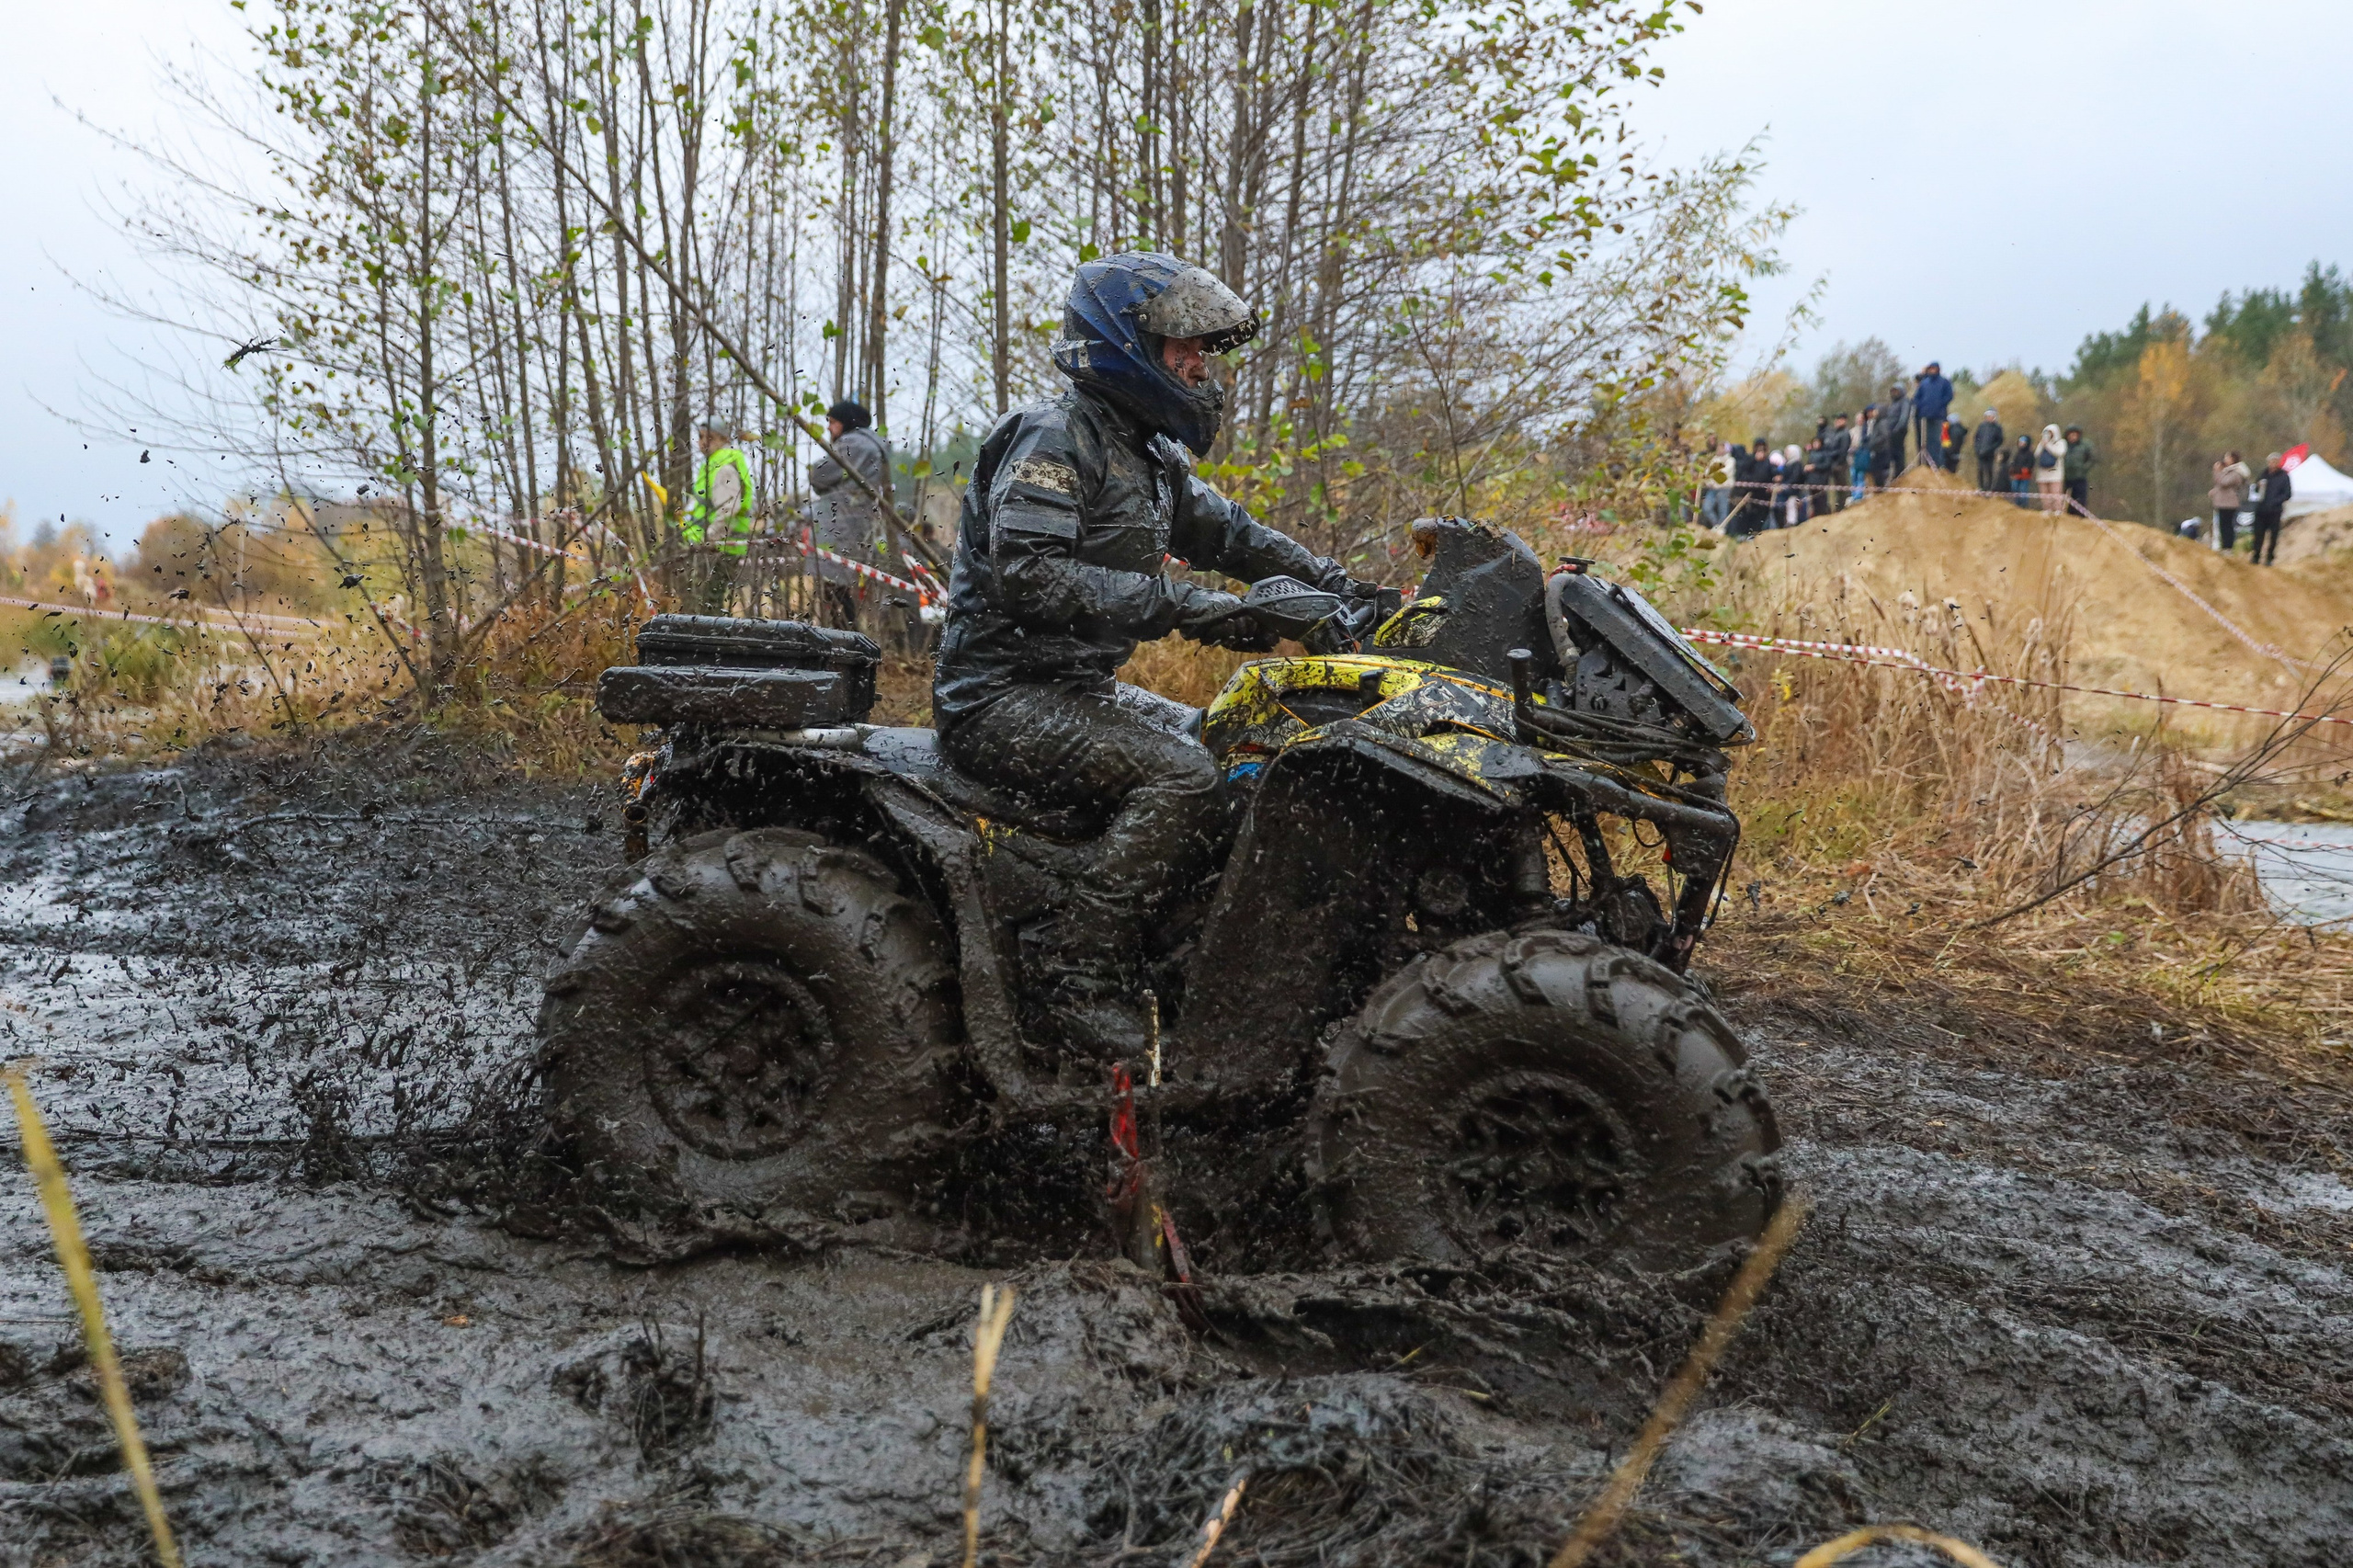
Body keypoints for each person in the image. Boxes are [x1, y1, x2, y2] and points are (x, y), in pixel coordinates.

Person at [931, 252, 1381, 1050]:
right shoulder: (1056, 435)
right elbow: (1032, 577)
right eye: (1186, 349)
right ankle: (1078, 970)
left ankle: (1174, 951)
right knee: (1186, 777)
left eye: (1204, 351)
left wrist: (1344, 589)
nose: (1199, 366)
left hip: (1076, 690)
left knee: (1240, 752)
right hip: (999, 697)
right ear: (1127, 344)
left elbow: (1234, 536)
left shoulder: (1147, 454)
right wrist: (1206, 611)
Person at [809, 399, 893, 629]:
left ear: (846, 423)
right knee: (847, 590)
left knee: (836, 591)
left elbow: (819, 475)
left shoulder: (853, 445)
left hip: (841, 527)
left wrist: (819, 478)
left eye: (833, 422)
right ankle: (851, 637)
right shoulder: (873, 446)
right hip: (860, 526)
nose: (829, 428)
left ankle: (846, 641)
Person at [685, 425, 757, 612]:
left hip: (718, 549)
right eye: (700, 437)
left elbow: (729, 508)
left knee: (708, 607)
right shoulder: (715, 464)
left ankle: (715, 640)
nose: (702, 443)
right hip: (717, 547)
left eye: (710, 438)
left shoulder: (724, 466)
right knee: (709, 605)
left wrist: (711, 537)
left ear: (725, 440)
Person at [2249, 451, 2291, 565]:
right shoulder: (2264, 474)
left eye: (2275, 461)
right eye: (2271, 461)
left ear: (2279, 463)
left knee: (2273, 535)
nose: (2273, 464)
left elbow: (2288, 494)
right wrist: (2258, 486)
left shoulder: (2284, 476)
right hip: (2261, 509)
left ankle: (2269, 557)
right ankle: (2256, 555)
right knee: (2258, 534)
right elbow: (2256, 489)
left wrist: (2275, 501)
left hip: (2275, 510)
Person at [1912, 361, 1953, 467]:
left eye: (1934, 369)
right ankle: (1925, 464)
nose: (1932, 371)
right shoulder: (1924, 383)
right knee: (1924, 441)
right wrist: (1922, 406)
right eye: (1930, 369)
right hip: (1924, 417)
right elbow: (1916, 397)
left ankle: (1937, 464)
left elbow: (1949, 396)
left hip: (1939, 417)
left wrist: (1940, 404)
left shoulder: (1944, 382)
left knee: (1937, 441)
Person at [2210, 450, 2251, 552]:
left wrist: (2217, 471)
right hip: (2223, 502)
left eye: (2227, 458)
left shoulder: (2237, 472)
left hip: (2229, 503)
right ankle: (2224, 545)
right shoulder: (2228, 471)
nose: (2225, 460)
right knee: (2222, 525)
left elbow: (2225, 482)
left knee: (2227, 525)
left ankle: (2228, 547)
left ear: (2232, 459)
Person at [1817, 415, 1852, 515]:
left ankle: (1842, 507)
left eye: (1839, 420)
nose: (1836, 421)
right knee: (1837, 487)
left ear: (1844, 420)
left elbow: (1843, 450)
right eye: (1836, 420)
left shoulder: (1845, 433)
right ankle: (1837, 507)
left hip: (1840, 464)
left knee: (1842, 486)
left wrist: (1838, 463)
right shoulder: (1835, 433)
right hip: (1833, 463)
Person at [1699, 437, 1734, 530]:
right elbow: (1707, 473)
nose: (1718, 450)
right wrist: (1709, 481)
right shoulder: (1714, 460)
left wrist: (1714, 475)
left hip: (1724, 488)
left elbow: (1724, 473)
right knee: (1706, 508)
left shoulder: (1730, 461)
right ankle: (1716, 525)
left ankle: (1722, 529)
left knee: (1722, 510)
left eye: (1721, 448)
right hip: (1713, 488)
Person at [2033, 424, 2068, 514]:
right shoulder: (2042, 443)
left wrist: (2048, 445)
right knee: (2044, 493)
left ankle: (2058, 510)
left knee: (2055, 493)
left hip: (2055, 472)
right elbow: (2036, 454)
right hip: (2042, 472)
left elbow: (2059, 453)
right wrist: (2042, 444)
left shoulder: (2061, 442)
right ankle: (2047, 509)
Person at [2062, 425, 2096, 514]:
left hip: (2080, 477)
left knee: (2080, 499)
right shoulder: (2064, 445)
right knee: (2066, 500)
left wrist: (2084, 468)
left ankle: (2080, 516)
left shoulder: (2085, 445)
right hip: (2066, 477)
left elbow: (2092, 459)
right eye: (2070, 435)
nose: (2072, 437)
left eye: (2074, 435)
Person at [1972, 408, 2006, 494]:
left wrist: (1991, 448)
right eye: (1987, 416)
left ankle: (1989, 488)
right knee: (1980, 469)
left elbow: (2000, 440)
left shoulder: (1997, 428)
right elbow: (1976, 438)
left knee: (1989, 470)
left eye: (1991, 416)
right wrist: (1977, 448)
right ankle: (1981, 487)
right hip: (1980, 452)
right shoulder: (1982, 426)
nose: (1989, 418)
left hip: (1990, 453)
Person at [1850, 407, 1875, 502]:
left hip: (1863, 458)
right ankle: (1854, 495)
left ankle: (1859, 496)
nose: (1859, 420)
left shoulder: (1868, 429)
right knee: (1854, 478)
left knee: (1862, 478)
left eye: (1861, 419)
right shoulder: (1852, 431)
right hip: (1853, 459)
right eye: (1858, 419)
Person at [2007, 434, 2035, 507]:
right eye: (2020, 442)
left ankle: (2024, 505)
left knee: (2023, 490)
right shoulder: (2017, 453)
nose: (2021, 444)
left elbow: (2030, 464)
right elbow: (2014, 462)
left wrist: (2026, 470)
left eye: (2023, 442)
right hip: (2017, 474)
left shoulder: (2030, 454)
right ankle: (2017, 503)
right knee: (2015, 487)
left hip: (2025, 475)